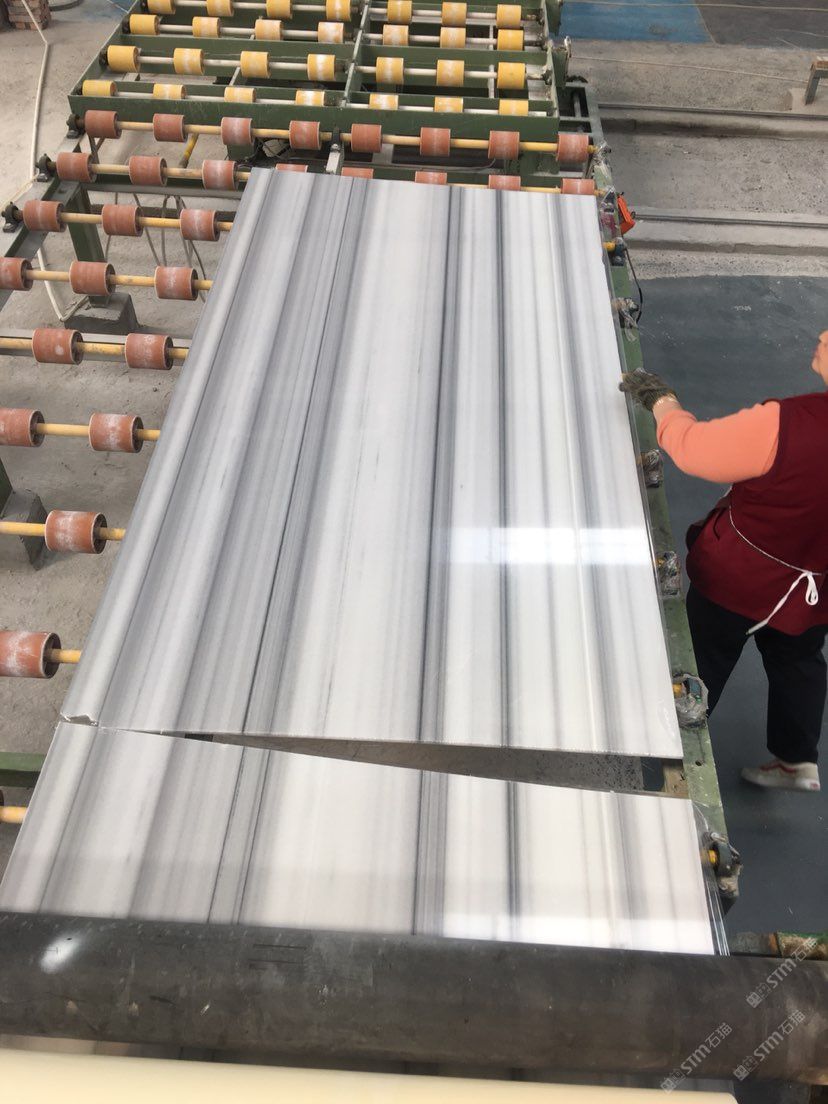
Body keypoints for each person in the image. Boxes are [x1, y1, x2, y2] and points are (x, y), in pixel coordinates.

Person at [620, 331, 828, 793]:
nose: (822, 336)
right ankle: (797, 760)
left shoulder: (789, 424)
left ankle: (664, 761)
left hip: (740, 578)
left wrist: (663, 403)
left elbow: (694, 450)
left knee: (701, 658)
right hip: (813, 590)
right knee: (797, 658)